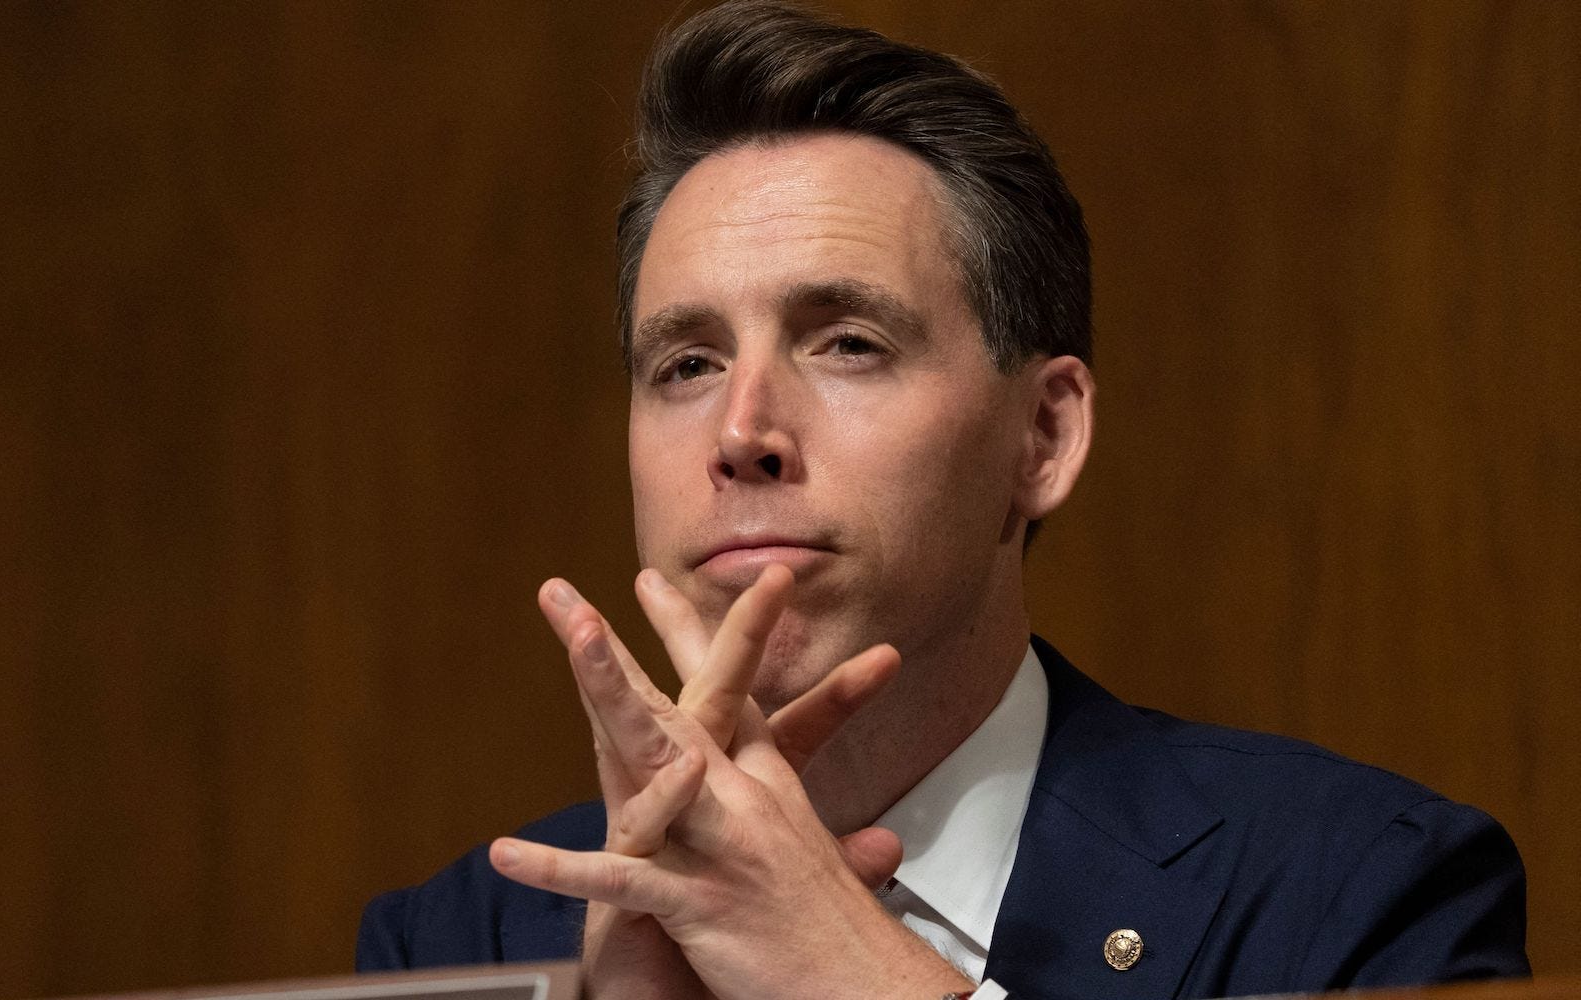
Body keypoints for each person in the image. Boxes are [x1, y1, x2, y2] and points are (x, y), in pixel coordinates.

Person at [355, 3, 1530, 997]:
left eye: (847, 342)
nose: (741, 433)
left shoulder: (1353, 899)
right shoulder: (459, 947)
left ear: (1043, 435)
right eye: (686, 364)